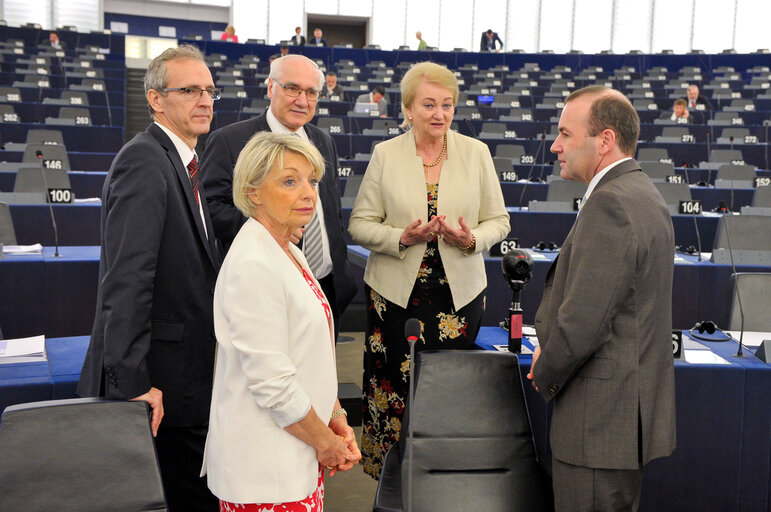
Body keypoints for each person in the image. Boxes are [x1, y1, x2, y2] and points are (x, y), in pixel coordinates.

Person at [77, 44, 221, 512]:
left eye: (210, 90)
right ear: (157, 99)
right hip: (158, 384)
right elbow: (127, 281)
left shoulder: (182, 162)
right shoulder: (144, 161)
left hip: (184, 381)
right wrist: (133, 383)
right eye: (190, 90)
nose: (205, 100)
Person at [348, 61, 510, 479]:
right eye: (429, 104)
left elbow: (500, 221)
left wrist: (470, 239)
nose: (439, 114)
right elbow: (360, 224)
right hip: (394, 300)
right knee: (393, 392)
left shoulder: (476, 153)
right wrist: (401, 237)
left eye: (447, 105)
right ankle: (391, 481)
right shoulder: (385, 155)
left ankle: (441, 481)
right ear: (408, 109)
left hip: (459, 299)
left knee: (447, 393)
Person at [527, 86, 676, 511]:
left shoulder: (610, 203)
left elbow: (582, 326)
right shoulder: (643, 193)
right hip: (621, 420)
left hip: (598, 425)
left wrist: (546, 371)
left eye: (565, 134)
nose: (555, 146)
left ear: (605, 140)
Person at [201, 131, 361, 510]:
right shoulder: (253, 263)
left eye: (312, 181)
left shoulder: (286, 247)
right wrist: (328, 444)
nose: (308, 192)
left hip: (296, 453)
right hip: (265, 471)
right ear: (254, 191)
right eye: (290, 181)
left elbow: (304, 356)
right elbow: (272, 382)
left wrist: (334, 415)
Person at [200, 54, 356, 341]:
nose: (302, 100)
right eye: (292, 88)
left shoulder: (324, 141)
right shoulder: (230, 141)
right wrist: (270, 225)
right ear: (271, 87)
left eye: (311, 92)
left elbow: (330, 211)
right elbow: (209, 211)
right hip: (265, 287)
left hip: (326, 285)